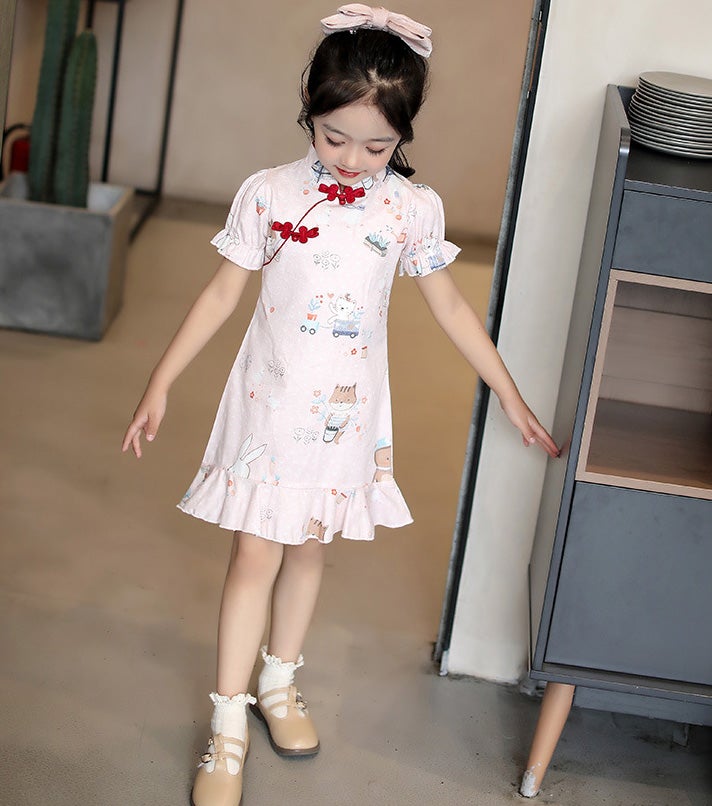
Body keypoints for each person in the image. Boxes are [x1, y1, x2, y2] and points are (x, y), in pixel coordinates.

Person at [122, 5, 559, 805]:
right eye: (335, 138)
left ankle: (278, 683)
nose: (354, 160)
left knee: (309, 550)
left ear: (403, 135)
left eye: (377, 146)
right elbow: (222, 295)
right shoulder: (269, 195)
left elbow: (450, 306)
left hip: (344, 418)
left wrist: (507, 389)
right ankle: (227, 725)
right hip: (268, 410)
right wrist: (161, 380)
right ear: (309, 109)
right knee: (255, 555)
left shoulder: (409, 209)